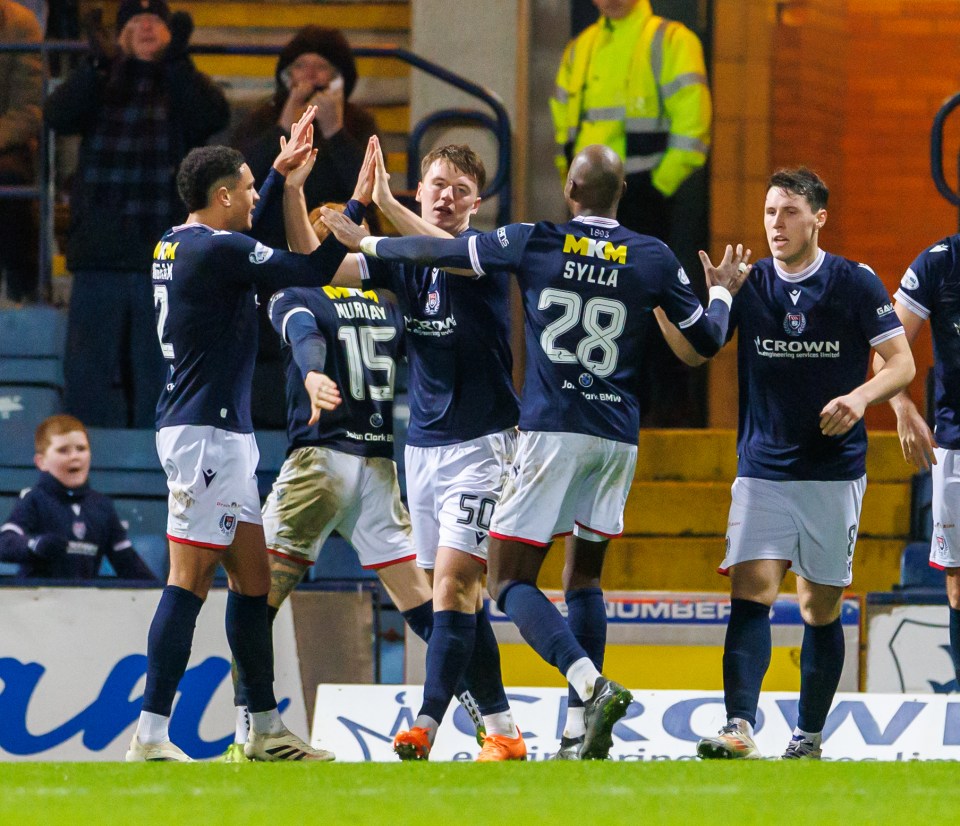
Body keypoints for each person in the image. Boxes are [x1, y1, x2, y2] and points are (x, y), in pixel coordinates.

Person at [321, 142, 748, 760]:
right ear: (621, 195)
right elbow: (705, 341)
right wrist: (723, 293)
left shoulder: (535, 240)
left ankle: (587, 685)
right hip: (618, 437)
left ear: (569, 193)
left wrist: (367, 234)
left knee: (505, 579)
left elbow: (438, 252)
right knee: (585, 579)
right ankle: (576, 737)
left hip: (548, 430)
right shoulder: (651, 255)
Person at [653, 167, 915, 760]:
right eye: (770, 212)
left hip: (834, 471)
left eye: (790, 212)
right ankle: (739, 726)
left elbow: (900, 364)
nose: (776, 224)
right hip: (763, 467)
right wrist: (665, 312)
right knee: (752, 592)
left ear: (819, 218)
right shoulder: (751, 283)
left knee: (819, 607)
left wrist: (859, 398)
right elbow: (700, 352)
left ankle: (810, 735)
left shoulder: (854, 283)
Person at [126, 108, 354, 763]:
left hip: (214, 430)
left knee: (253, 581)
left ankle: (264, 730)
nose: (256, 196)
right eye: (250, 187)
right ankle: (150, 737)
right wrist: (357, 209)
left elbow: (250, 255)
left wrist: (283, 179)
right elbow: (310, 274)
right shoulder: (219, 248)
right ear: (222, 196)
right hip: (207, 435)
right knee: (188, 580)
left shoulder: (177, 243)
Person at [286, 137, 525, 762]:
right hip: (420, 449)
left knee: (450, 588)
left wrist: (385, 204)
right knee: (461, 598)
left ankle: (425, 723)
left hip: (483, 444)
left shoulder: (480, 252)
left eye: (460, 189)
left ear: (476, 204)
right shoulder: (399, 262)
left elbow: (438, 250)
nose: (447, 196)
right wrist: (308, 196)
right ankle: (502, 729)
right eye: (437, 184)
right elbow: (319, 267)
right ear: (423, 190)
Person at [44, 0, 229, 428]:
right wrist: (98, 64)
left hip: (164, 254)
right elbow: (58, 115)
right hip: (100, 254)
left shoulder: (182, 81)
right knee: (88, 375)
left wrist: (177, 60)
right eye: (135, 21)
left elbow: (211, 115)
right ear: (120, 32)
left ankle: (159, 472)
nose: (146, 27)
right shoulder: (101, 76)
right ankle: (85, 469)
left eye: (155, 21)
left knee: (159, 374)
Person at [551, 0, 712, 427]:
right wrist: (575, 192)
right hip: (589, 202)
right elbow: (563, 128)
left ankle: (667, 408)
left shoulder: (671, 40)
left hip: (644, 196)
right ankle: (603, 402)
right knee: (591, 303)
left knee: (653, 303)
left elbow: (693, 127)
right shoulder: (580, 48)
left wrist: (656, 189)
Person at [233, 25, 378, 430]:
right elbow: (242, 184)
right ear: (284, 74)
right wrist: (283, 125)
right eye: (301, 66)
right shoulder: (262, 119)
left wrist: (334, 133)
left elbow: (370, 194)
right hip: (271, 259)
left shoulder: (359, 123)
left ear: (339, 76)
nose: (310, 76)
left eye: (321, 68)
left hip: (332, 265)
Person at [875, 236, 960, 694]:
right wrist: (903, 407)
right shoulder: (938, 264)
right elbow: (887, 353)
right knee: (958, 589)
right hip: (957, 445)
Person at [0, 414, 156, 580]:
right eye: (63, 450)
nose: (74, 456)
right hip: (39, 601)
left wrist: (161, 596)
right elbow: (5, 543)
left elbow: (128, 563)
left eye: (81, 449)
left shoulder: (102, 506)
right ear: (41, 462)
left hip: (84, 602)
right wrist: (35, 545)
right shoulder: (34, 499)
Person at [0, 0, 42, 304]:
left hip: (5, 143)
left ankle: (20, 289)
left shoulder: (19, 24)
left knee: (10, 176)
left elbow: (28, 110)